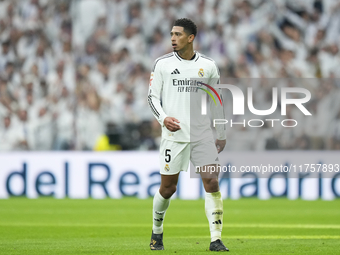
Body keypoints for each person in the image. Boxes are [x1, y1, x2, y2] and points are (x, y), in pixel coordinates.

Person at [147, 18, 228, 252]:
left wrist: (221, 132)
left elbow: (216, 100)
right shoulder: (161, 64)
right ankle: (157, 231)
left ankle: (216, 239)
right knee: (168, 189)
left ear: (190, 38)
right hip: (175, 136)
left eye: (178, 34)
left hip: (202, 135)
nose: (173, 38)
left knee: (212, 182)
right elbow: (152, 98)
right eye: (171, 34)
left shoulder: (208, 65)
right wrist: (163, 119)